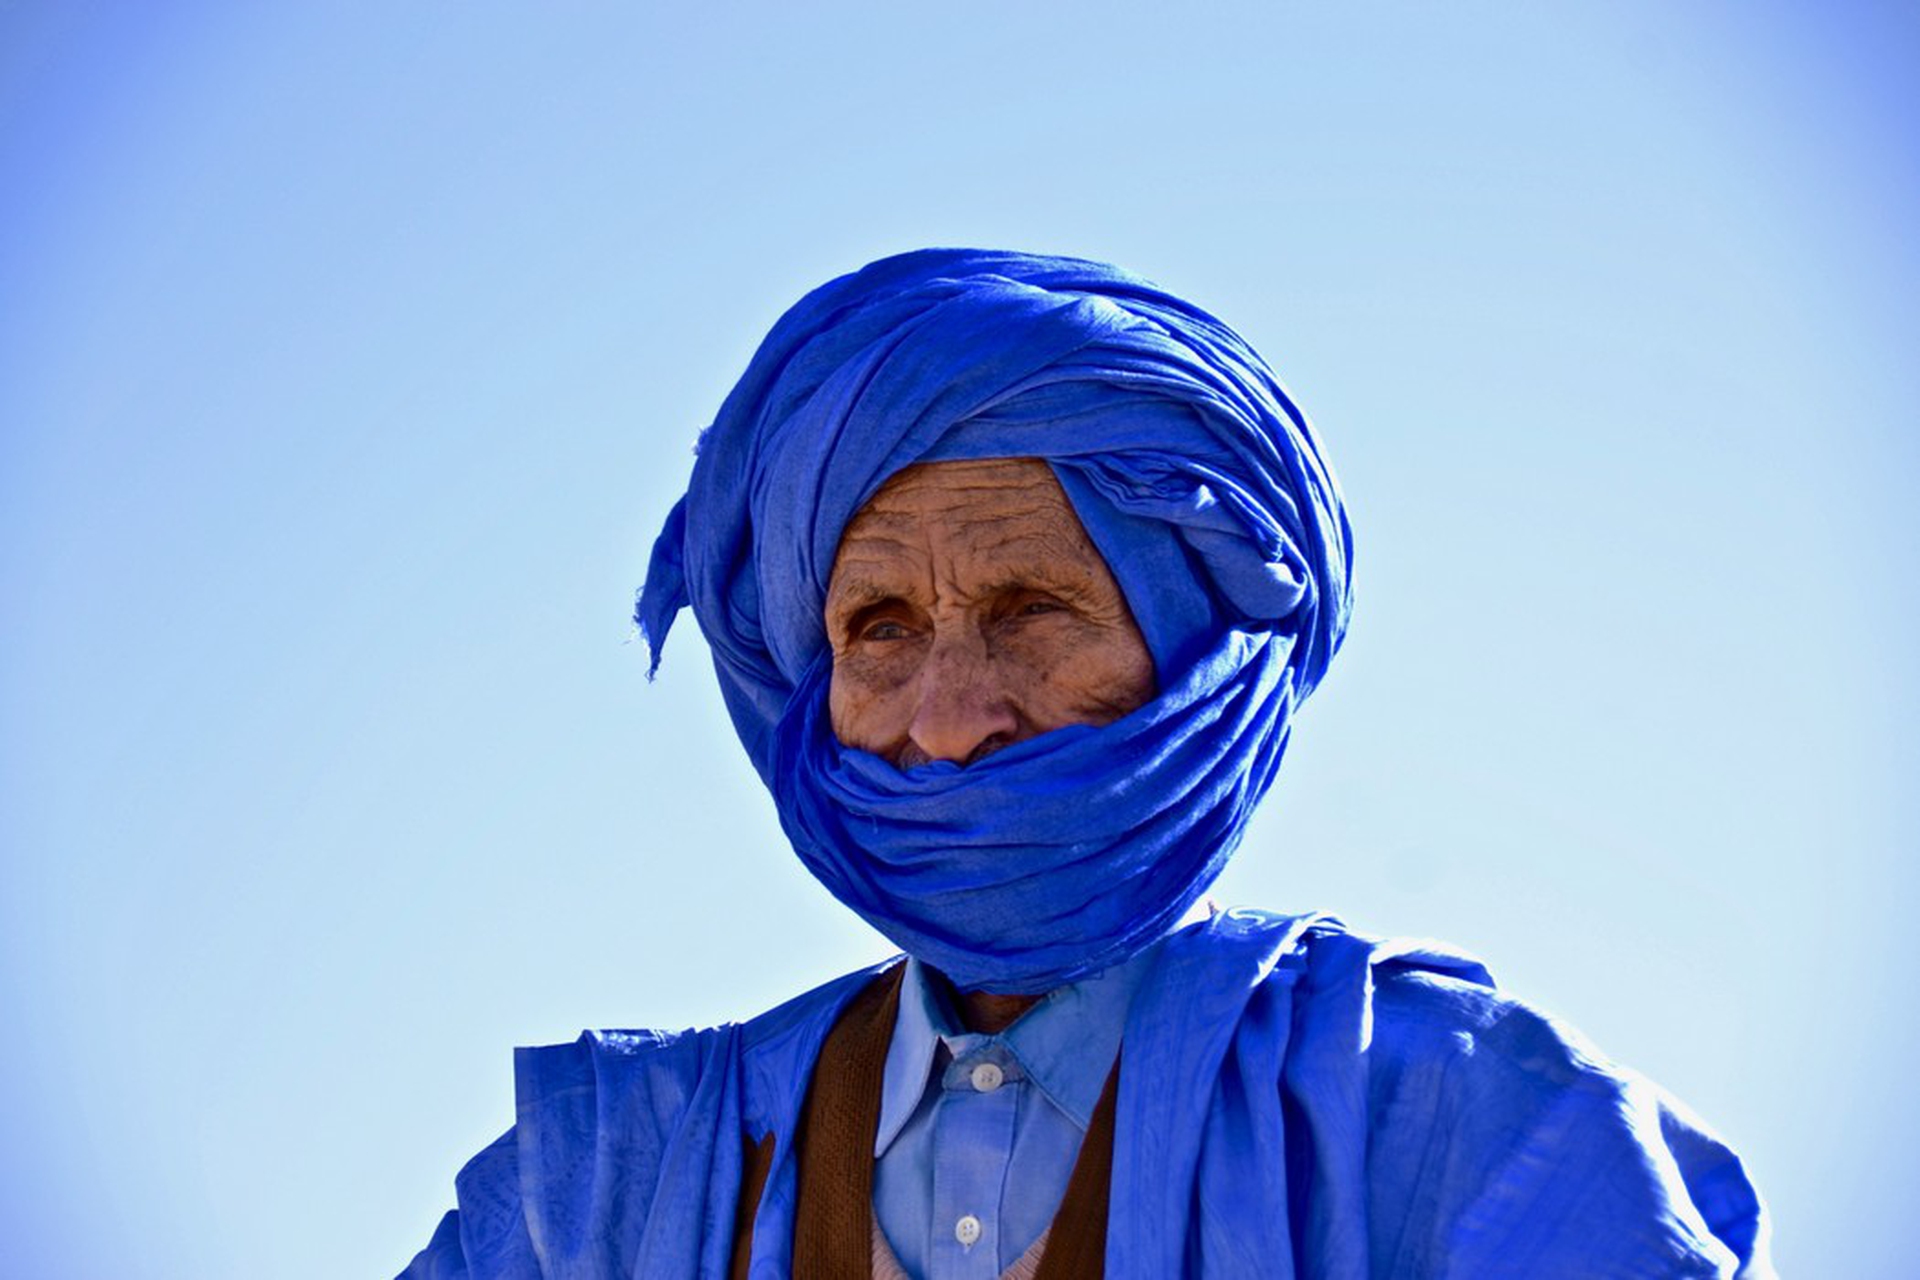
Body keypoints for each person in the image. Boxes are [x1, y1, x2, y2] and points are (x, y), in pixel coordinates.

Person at [401, 249, 1772, 1278]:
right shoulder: (590, 1197)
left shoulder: (1450, 1126)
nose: (949, 718)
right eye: (880, 630)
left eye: (1029, 614)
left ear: (1190, 651)